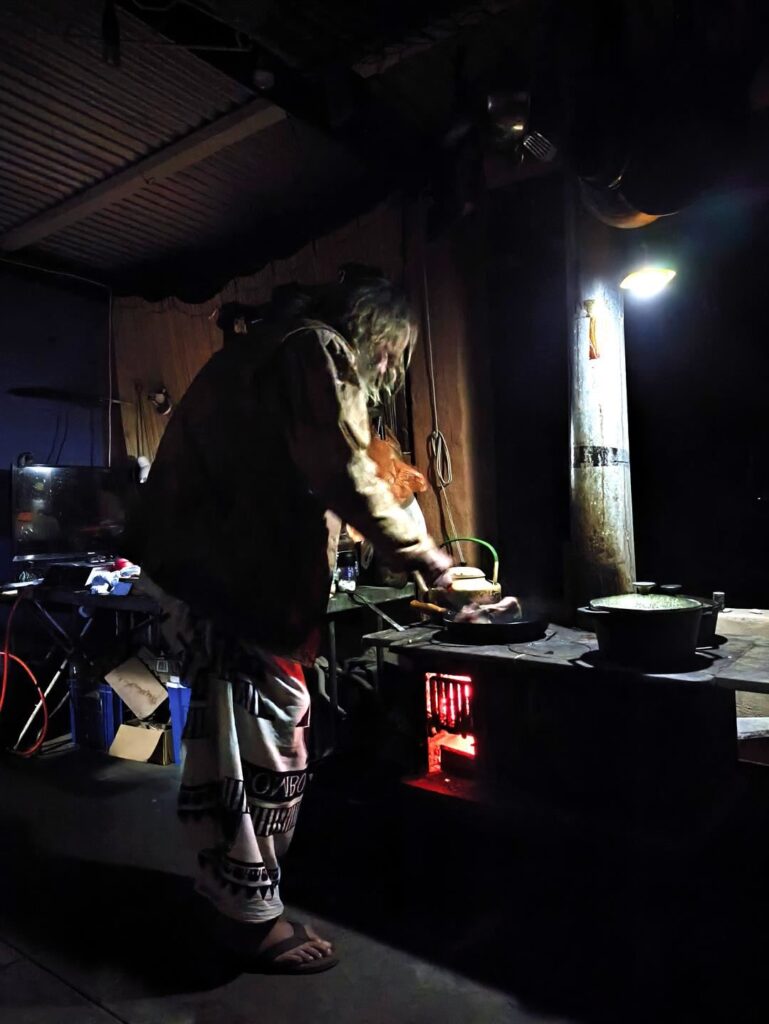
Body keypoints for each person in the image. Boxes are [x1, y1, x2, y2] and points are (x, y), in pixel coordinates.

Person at [125, 265, 455, 974]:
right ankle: (250, 923)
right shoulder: (314, 348)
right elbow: (343, 471)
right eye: (392, 353)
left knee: (230, 749)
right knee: (269, 748)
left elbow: (350, 467)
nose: (390, 369)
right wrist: (434, 563)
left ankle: (231, 899)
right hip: (239, 586)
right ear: (372, 329)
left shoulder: (261, 352)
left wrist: (396, 523)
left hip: (203, 578)